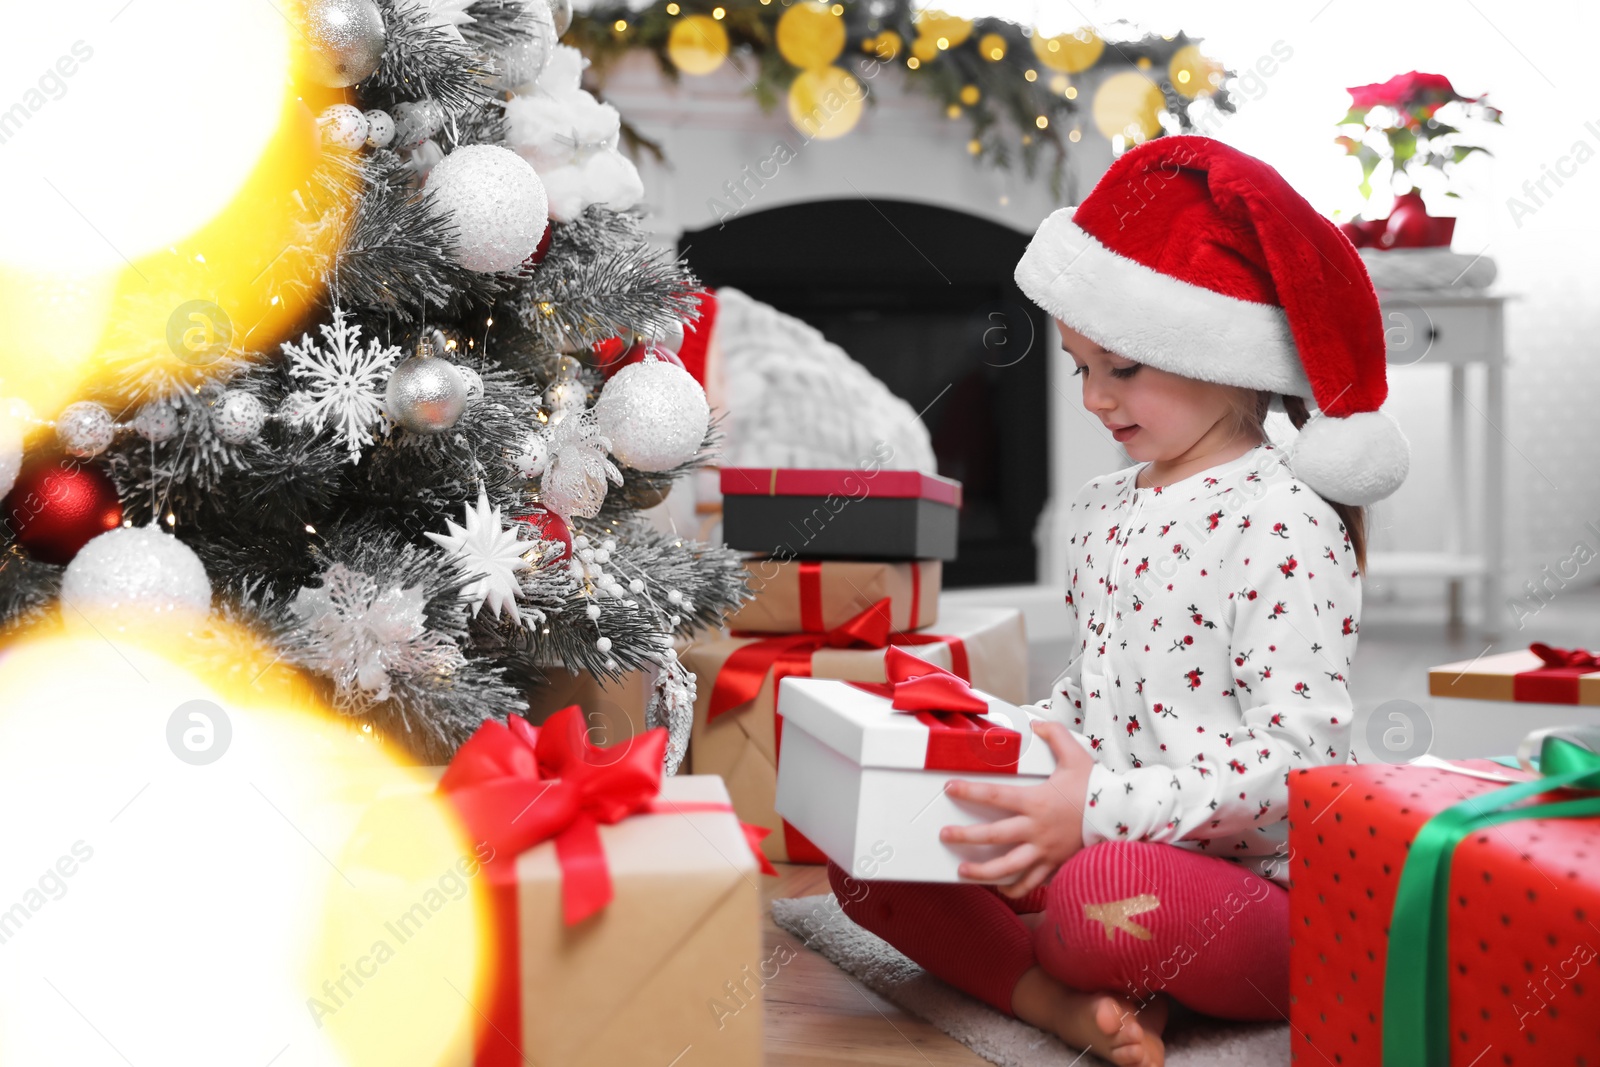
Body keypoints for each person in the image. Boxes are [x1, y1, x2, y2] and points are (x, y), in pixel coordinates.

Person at [825, 135, 1412, 1066]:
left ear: (1216, 350)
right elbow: (1088, 700)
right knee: (865, 854)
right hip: (1091, 838)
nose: (1095, 398)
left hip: (1243, 889)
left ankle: (1078, 967)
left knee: (1101, 897)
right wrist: (983, 740)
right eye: (1079, 367)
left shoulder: (1285, 519)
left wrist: (1092, 811)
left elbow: (1297, 776)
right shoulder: (1103, 510)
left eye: (1122, 368)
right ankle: (1059, 1001)